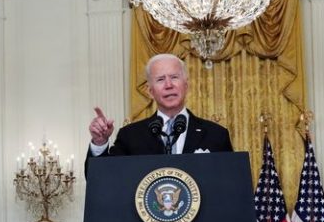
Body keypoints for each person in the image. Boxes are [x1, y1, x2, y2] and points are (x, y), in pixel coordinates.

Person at [87, 53, 233, 161]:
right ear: (150, 91)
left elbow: (231, 182)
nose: (169, 85)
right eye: (160, 79)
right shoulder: (130, 136)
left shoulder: (216, 135)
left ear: (186, 85)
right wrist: (100, 142)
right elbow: (104, 178)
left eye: (174, 77)